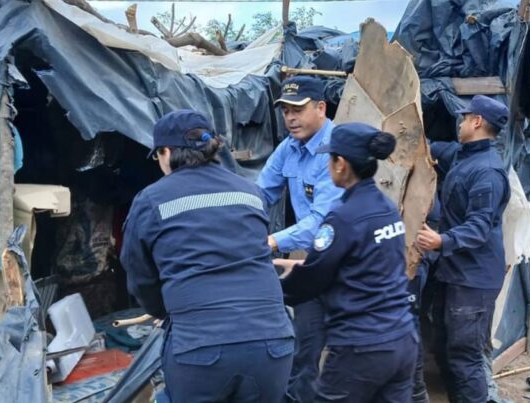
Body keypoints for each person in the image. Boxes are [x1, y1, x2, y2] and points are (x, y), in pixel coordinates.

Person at [121, 110, 295, 402]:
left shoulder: (152, 200)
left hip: (201, 348)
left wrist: (164, 310)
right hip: (273, 344)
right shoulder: (250, 191)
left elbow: (139, 274)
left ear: (166, 152)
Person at [274, 123, 418, 402]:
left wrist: (270, 286)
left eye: (330, 159)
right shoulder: (386, 210)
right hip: (402, 339)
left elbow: (313, 281)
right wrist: (302, 268)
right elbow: (365, 267)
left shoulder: (342, 218)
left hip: (361, 348)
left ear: (340, 164)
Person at [416, 95, 511, 402]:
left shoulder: (487, 171)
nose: (459, 123)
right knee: (445, 347)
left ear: (477, 122)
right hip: (455, 273)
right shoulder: (463, 155)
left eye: (463, 118)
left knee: (463, 356)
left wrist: (442, 241)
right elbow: (430, 147)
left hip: (473, 278)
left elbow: (480, 226)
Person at [256, 76, 343, 402]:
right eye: (285, 111)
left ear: (321, 108)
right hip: (311, 262)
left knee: (350, 352)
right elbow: (261, 192)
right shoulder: (289, 148)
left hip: (345, 263)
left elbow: (322, 222)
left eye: (298, 109)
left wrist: (271, 242)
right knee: (303, 348)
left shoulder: (334, 149)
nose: (290, 118)